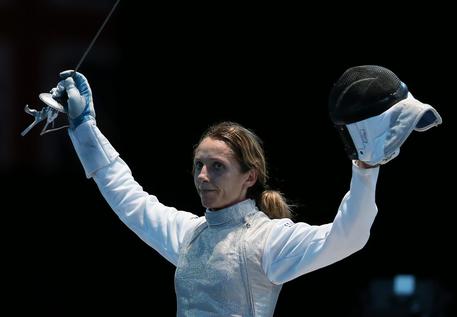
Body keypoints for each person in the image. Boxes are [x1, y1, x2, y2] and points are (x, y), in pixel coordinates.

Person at [51, 65, 440, 316]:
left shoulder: (268, 241)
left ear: (249, 176)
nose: (203, 176)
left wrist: (366, 168)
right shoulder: (188, 236)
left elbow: (348, 237)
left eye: (217, 167)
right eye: (198, 165)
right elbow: (127, 196)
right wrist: (84, 126)